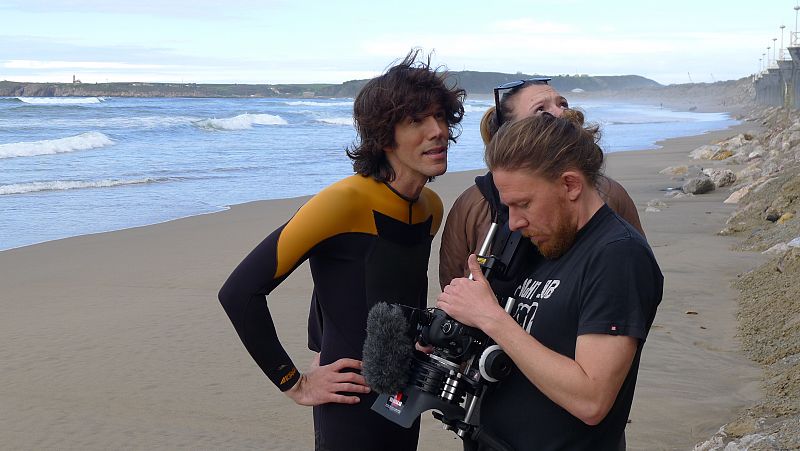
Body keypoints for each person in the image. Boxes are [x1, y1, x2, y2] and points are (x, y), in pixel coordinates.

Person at [218, 50, 466, 451]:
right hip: (348, 400)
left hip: (402, 394)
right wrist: (295, 382)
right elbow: (239, 292)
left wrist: (320, 343)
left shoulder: (429, 210)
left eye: (441, 117)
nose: (437, 131)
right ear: (385, 135)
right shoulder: (342, 202)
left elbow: (344, 283)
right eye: (417, 120)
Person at [437, 113, 662, 450]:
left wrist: (491, 317)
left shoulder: (618, 256)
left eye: (523, 204)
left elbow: (591, 399)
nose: (513, 222)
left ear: (570, 185)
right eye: (507, 206)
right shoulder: (548, 242)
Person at [439, 79, 644, 288]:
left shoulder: (608, 195)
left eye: (562, 103)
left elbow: (633, 281)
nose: (561, 113)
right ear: (510, 131)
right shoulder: (472, 204)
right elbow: (452, 281)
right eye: (541, 110)